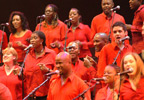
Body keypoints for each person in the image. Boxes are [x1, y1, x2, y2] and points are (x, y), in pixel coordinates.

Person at [24, 31, 56, 100]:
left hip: (45, 94)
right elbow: (25, 74)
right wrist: (19, 73)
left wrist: (47, 70)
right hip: (30, 94)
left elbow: (58, 73)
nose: (32, 40)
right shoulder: (28, 55)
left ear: (42, 40)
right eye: (31, 38)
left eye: (35, 38)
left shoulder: (51, 54)